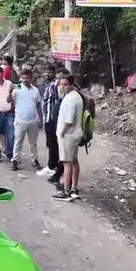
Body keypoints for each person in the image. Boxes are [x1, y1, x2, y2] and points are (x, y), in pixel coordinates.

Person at [53, 73, 84, 201]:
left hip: (68, 134)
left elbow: (69, 120)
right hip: (75, 134)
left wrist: (61, 132)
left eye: (65, 84)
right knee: (74, 161)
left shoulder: (70, 99)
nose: (62, 87)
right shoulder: (75, 96)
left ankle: (66, 191)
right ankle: (74, 188)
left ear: (71, 85)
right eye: (61, 84)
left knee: (67, 163)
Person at [10, 68, 43, 171]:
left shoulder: (35, 90)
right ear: (21, 78)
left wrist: (40, 118)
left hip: (32, 120)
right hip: (20, 120)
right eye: (23, 77)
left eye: (27, 77)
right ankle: (15, 160)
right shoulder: (18, 88)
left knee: (33, 143)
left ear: (31, 78)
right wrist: (9, 91)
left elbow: (38, 105)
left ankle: (35, 160)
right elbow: (9, 100)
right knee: (18, 142)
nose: (25, 80)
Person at [38, 67, 63, 179]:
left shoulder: (54, 85)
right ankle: (54, 165)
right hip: (47, 118)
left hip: (53, 119)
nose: (47, 73)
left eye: (50, 72)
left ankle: (51, 166)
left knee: (53, 144)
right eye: (46, 71)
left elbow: (58, 100)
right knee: (50, 144)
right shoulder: (47, 85)